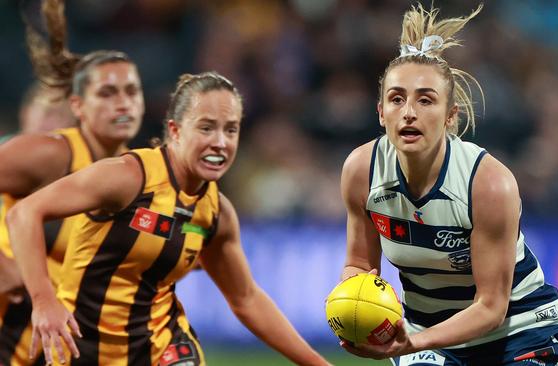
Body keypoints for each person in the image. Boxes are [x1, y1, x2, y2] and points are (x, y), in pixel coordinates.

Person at [7, 71, 331, 366]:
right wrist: (44, 301)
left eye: (230, 130)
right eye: (206, 128)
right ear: (175, 130)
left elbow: (245, 298)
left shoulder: (216, 212)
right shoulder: (126, 178)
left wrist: (317, 364)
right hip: (82, 350)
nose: (220, 142)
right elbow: (24, 214)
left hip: (162, 349)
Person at [338, 3, 558, 365]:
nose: (409, 112)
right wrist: (352, 304)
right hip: (425, 331)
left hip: (517, 328)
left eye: (426, 100)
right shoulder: (361, 171)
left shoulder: (489, 184)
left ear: (450, 116)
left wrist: (411, 344)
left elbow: (491, 307)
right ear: (381, 112)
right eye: (396, 99)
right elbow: (359, 264)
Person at [0, 0, 145, 364]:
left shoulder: (135, 175)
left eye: (132, 91)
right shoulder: (52, 155)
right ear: (79, 106)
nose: (123, 104)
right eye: (108, 94)